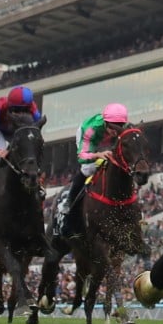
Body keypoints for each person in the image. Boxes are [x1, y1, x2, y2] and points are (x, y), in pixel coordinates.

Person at [54, 102, 129, 239]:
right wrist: (98, 155)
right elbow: (82, 157)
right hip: (90, 142)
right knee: (89, 168)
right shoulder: (91, 129)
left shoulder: (121, 129)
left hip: (105, 143)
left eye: (120, 125)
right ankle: (69, 203)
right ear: (106, 123)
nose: (116, 129)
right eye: (113, 125)